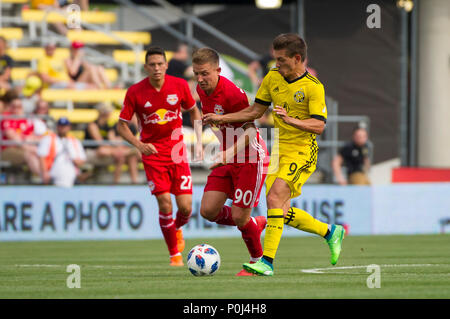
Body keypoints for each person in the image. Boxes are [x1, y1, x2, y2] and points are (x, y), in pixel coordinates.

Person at [203, 33, 345, 276]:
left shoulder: (313, 87)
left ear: (297, 58)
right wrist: (221, 118)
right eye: (275, 59)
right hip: (278, 149)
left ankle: (266, 263)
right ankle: (330, 232)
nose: (276, 64)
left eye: (281, 60)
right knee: (281, 211)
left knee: (274, 199)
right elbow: (254, 111)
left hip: (302, 151)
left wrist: (293, 120)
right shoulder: (272, 77)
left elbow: (319, 126)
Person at [117, 46, 203, 267]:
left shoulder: (180, 85)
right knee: (165, 203)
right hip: (153, 154)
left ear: (166, 65)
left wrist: (201, 141)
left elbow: (194, 111)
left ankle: (177, 228)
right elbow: (122, 126)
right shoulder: (135, 91)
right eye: (152, 65)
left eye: (159, 64)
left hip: (177, 152)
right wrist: (139, 144)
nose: (156, 68)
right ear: (146, 67)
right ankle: (174, 254)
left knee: (185, 208)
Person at [192, 47, 269, 276]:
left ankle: (257, 262)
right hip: (228, 156)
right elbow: (207, 118)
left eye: (204, 73)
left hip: (250, 157)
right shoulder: (201, 90)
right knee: (208, 210)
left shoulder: (233, 94)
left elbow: (252, 132)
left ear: (218, 70)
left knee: (238, 216)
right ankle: (252, 223)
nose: (200, 79)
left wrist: (228, 153)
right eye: (196, 73)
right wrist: (199, 140)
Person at [84, 103, 139, 184]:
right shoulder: (93, 125)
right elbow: (100, 143)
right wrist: (115, 149)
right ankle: (129, 152)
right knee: (106, 151)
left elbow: (113, 141)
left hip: (107, 151)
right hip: (92, 151)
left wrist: (116, 148)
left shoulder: (108, 126)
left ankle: (118, 183)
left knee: (121, 156)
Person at [0, 90, 41, 178]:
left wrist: (29, 143)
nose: (17, 109)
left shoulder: (24, 120)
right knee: (30, 155)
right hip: (7, 150)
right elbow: (16, 140)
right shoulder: (6, 118)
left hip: (23, 148)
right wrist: (31, 148)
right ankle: (44, 178)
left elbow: (32, 137)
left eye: (19, 106)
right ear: (10, 107)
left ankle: (46, 176)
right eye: (14, 106)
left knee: (39, 153)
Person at [38, 117, 86, 187]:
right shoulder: (48, 139)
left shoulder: (75, 141)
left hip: (72, 172)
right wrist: (44, 172)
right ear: (57, 127)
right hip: (53, 172)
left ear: (69, 127)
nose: (63, 128)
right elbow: (41, 156)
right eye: (61, 126)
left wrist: (77, 161)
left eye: (65, 126)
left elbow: (82, 159)